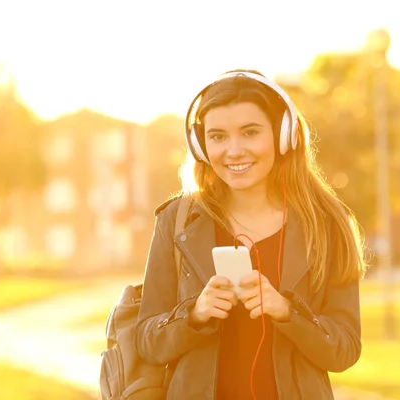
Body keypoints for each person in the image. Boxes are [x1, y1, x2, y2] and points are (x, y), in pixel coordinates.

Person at [135, 69, 367, 399]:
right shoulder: (177, 221)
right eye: (217, 137)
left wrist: (288, 312)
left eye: (250, 132)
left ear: (282, 135)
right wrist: (195, 314)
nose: (234, 150)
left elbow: (344, 349)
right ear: (201, 146)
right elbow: (146, 341)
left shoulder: (327, 222)